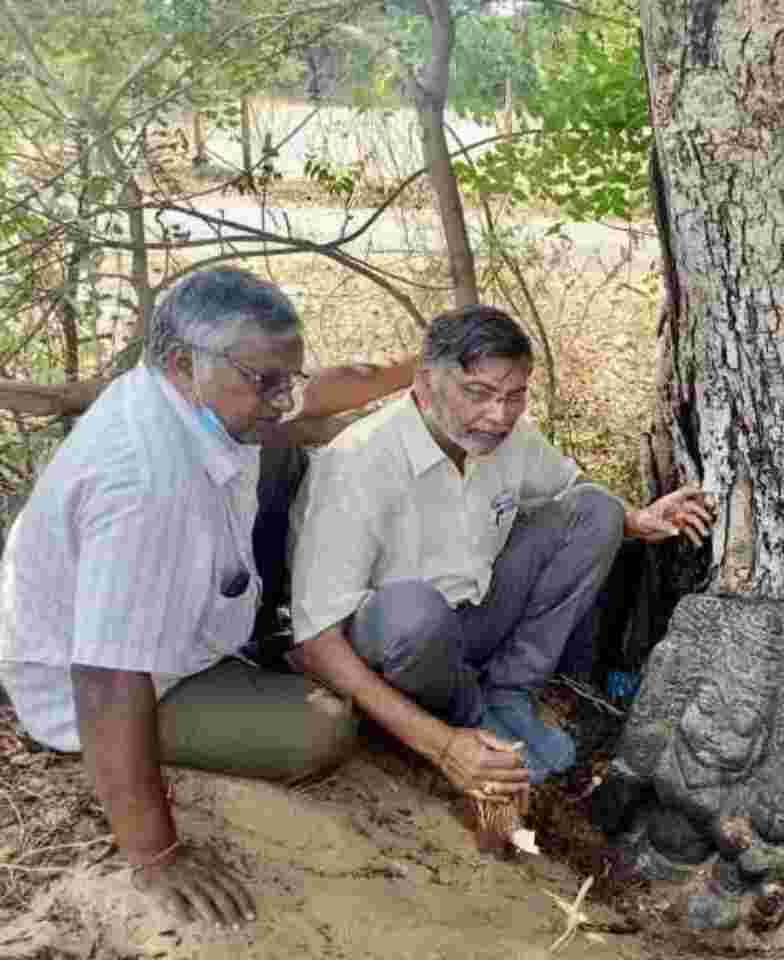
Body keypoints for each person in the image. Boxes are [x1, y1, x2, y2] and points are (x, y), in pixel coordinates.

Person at [0, 266, 368, 929]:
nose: (284, 398)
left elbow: (308, 398)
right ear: (182, 364)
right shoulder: (146, 486)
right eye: (265, 382)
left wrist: (413, 373)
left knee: (282, 451)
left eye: (292, 378)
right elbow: (107, 677)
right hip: (85, 689)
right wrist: (156, 854)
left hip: (170, 635)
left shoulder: (185, 398)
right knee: (323, 728)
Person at [291, 304, 713, 804]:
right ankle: (464, 719)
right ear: (425, 385)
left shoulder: (509, 435)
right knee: (413, 612)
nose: (499, 415)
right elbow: (316, 643)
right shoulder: (359, 463)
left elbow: (572, 492)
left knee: (595, 509)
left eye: (515, 396)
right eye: (479, 393)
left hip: (476, 617)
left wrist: (639, 520)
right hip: (400, 648)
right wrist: (444, 749)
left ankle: (511, 691)